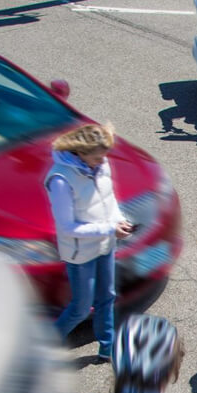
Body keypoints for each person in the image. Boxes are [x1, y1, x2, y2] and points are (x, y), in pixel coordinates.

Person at [45, 123, 134, 361]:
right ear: (80, 153)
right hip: (79, 253)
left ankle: (107, 347)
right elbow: (67, 227)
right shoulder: (60, 180)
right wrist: (109, 228)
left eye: (104, 156)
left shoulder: (101, 165)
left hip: (104, 243)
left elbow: (109, 199)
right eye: (96, 157)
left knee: (107, 296)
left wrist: (119, 221)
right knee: (81, 308)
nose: (102, 161)